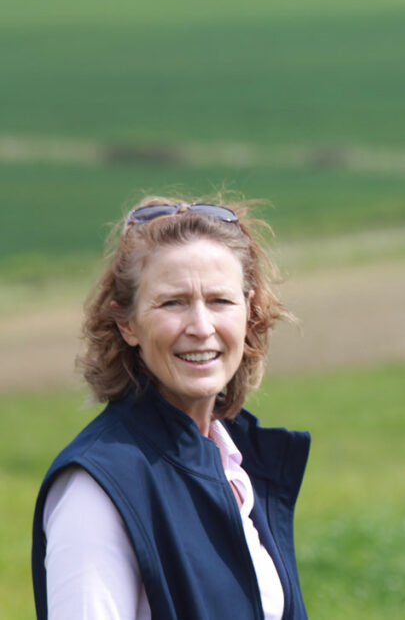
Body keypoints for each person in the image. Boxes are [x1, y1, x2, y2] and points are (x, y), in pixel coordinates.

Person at [31, 197, 310, 619]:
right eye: (172, 302)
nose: (201, 327)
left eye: (220, 301)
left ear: (249, 312)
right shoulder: (98, 490)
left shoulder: (236, 465)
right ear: (127, 323)